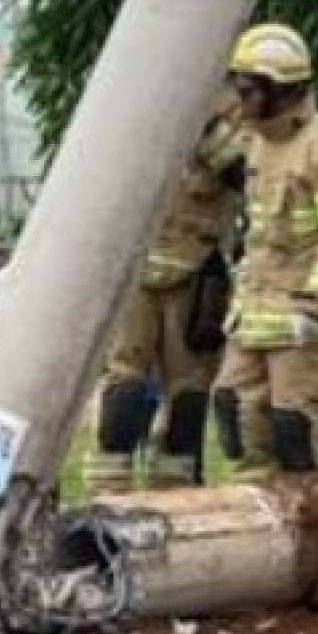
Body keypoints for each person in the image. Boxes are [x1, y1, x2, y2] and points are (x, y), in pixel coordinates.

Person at [211, 23, 318, 473]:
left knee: (296, 435)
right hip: (255, 316)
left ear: (280, 89)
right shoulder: (257, 142)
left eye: (249, 91)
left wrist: (315, 305)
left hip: (303, 322)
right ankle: (261, 529)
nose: (241, 101)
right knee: (236, 415)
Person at [87, 106, 243, 489]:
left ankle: (114, 494)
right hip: (181, 272)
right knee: (180, 390)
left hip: (144, 271)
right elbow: (246, 176)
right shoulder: (227, 110)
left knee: (131, 379)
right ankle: (167, 496)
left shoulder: (136, 112)